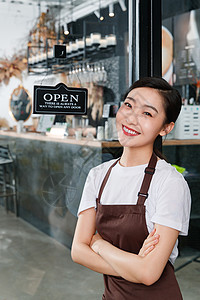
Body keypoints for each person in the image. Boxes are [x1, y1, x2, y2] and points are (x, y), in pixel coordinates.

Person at [71, 77, 191, 299]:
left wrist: (98, 244)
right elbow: (78, 251)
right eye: (128, 105)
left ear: (166, 128)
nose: (131, 117)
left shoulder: (170, 182)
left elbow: (149, 273)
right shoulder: (98, 176)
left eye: (147, 113)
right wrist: (136, 265)